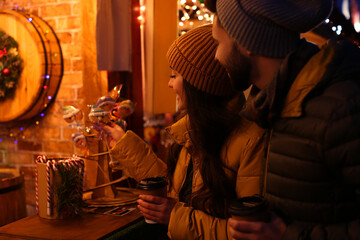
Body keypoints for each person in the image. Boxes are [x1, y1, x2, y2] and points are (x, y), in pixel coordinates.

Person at [205, 0, 360, 239]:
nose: (215, 57)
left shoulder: (338, 108)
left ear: (246, 41)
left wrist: (288, 236)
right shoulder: (279, 104)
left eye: (218, 43)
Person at [96, 25, 266, 239]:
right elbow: (173, 192)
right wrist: (123, 144)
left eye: (175, 75)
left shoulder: (250, 140)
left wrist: (174, 216)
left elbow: (245, 233)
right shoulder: (193, 129)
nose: (169, 83)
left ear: (199, 85)